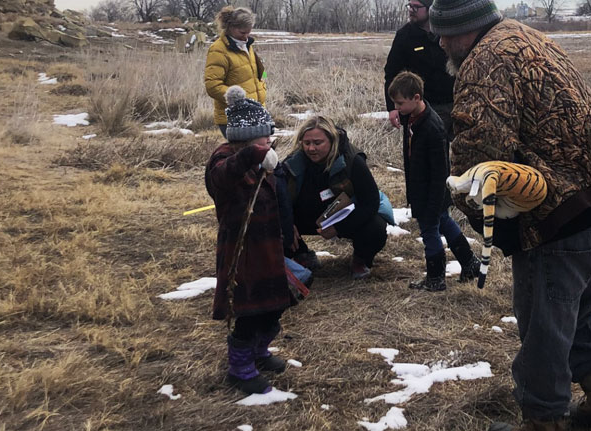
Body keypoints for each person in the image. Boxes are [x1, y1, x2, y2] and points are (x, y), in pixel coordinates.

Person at [430, 0, 591, 431]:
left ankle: (542, 430)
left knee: (543, 322)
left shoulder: (483, 63)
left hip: (557, 215)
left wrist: (486, 224)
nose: (441, 46)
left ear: (463, 31)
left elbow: (480, 158)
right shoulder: (524, 35)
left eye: (444, 36)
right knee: (574, 308)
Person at [205, 87, 304, 395]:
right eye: (264, 138)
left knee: (275, 303)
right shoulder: (224, 160)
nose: (269, 143)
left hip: (268, 247)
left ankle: (259, 350)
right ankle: (240, 368)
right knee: (248, 310)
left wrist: (289, 235)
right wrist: (254, 155)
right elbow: (223, 178)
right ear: (246, 139)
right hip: (242, 252)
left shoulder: (263, 161)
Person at [387, 71, 482, 291]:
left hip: (432, 192)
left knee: (430, 230)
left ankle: (435, 277)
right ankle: (469, 263)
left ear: (417, 98)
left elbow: (441, 172)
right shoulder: (413, 118)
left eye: (400, 103)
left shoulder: (432, 128)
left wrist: (433, 201)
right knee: (445, 222)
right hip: (423, 188)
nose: (397, 107)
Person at [282, 115, 392, 279]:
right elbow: (277, 201)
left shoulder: (352, 161)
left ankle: (361, 258)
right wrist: (287, 223)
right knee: (273, 225)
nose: (311, 148)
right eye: (307, 143)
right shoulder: (291, 164)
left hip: (345, 217)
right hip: (307, 217)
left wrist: (339, 228)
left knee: (375, 228)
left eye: (318, 143)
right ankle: (302, 255)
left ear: (332, 140)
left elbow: (370, 202)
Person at [383, 0, 456, 137]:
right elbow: (391, 73)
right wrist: (392, 107)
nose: (411, 10)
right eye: (410, 6)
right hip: (419, 108)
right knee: (419, 154)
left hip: (453, 105)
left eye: (416, 7)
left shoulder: (447, 33)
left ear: (431, 9)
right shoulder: (404, 36)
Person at [205, 6, 267, 139]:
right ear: (230, 28)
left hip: (254, 114)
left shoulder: (247, 46)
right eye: (242, 32)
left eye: (248, 33)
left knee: (258, 157)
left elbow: (260, 73)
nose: (246, 37)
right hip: (233, 118)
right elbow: (212, 86)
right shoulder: (218, 50)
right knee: (243, 158)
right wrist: (237, 99)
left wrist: (263, 86)